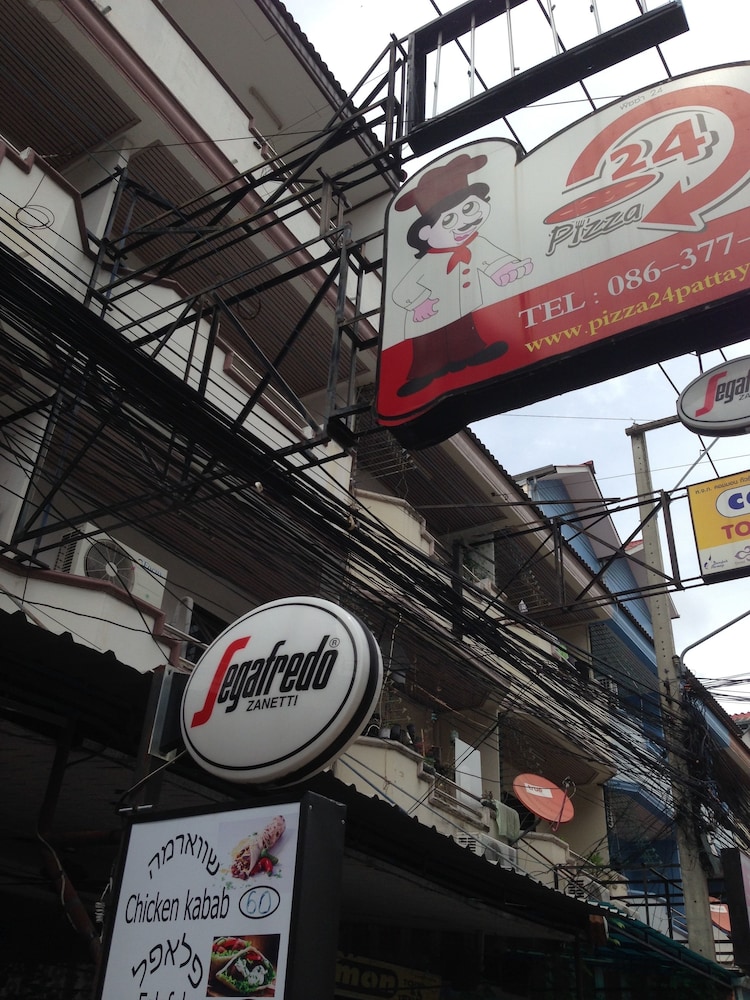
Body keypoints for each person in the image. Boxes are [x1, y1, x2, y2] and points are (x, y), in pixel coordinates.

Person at [391, 152, 532, 398]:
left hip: (462, 307)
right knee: (428, 346)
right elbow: (402, 290)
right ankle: (423, 375)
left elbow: (492, 259)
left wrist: (505, 269)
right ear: (425, 233)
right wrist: (418, 303)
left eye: (469, 208)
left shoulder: (476, 244)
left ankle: (470, 355)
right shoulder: (426, 263)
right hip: (430, 315)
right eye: (449, 220)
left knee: (465, 332)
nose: (465, 223)